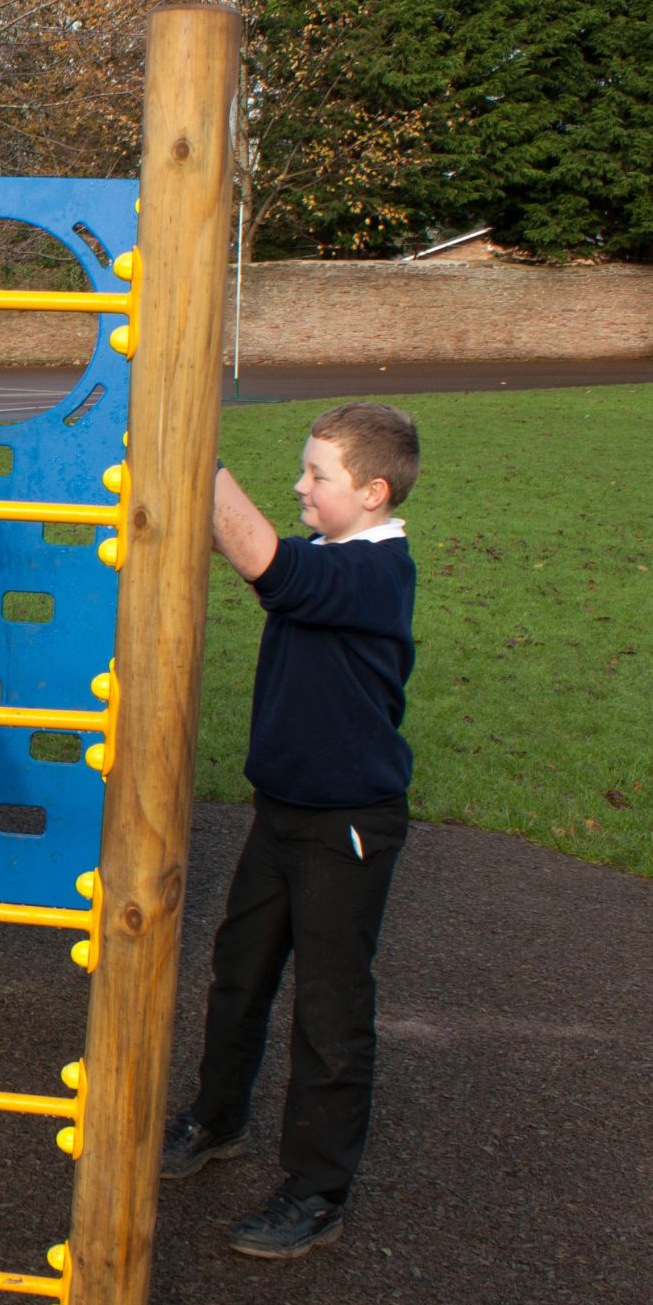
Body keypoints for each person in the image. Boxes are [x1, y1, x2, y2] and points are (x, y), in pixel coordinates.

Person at [159, 402, 422, 1258]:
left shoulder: (379, 572)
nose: (300, 486)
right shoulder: (330, 554)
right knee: (239, 971)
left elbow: (263, 562)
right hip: (282, 812)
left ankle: (316, 1189)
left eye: (318, 476)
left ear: (374, 492)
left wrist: (191, 439)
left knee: (330, 1010)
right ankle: (218, 1119)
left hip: (347, 826)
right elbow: (236, 543)